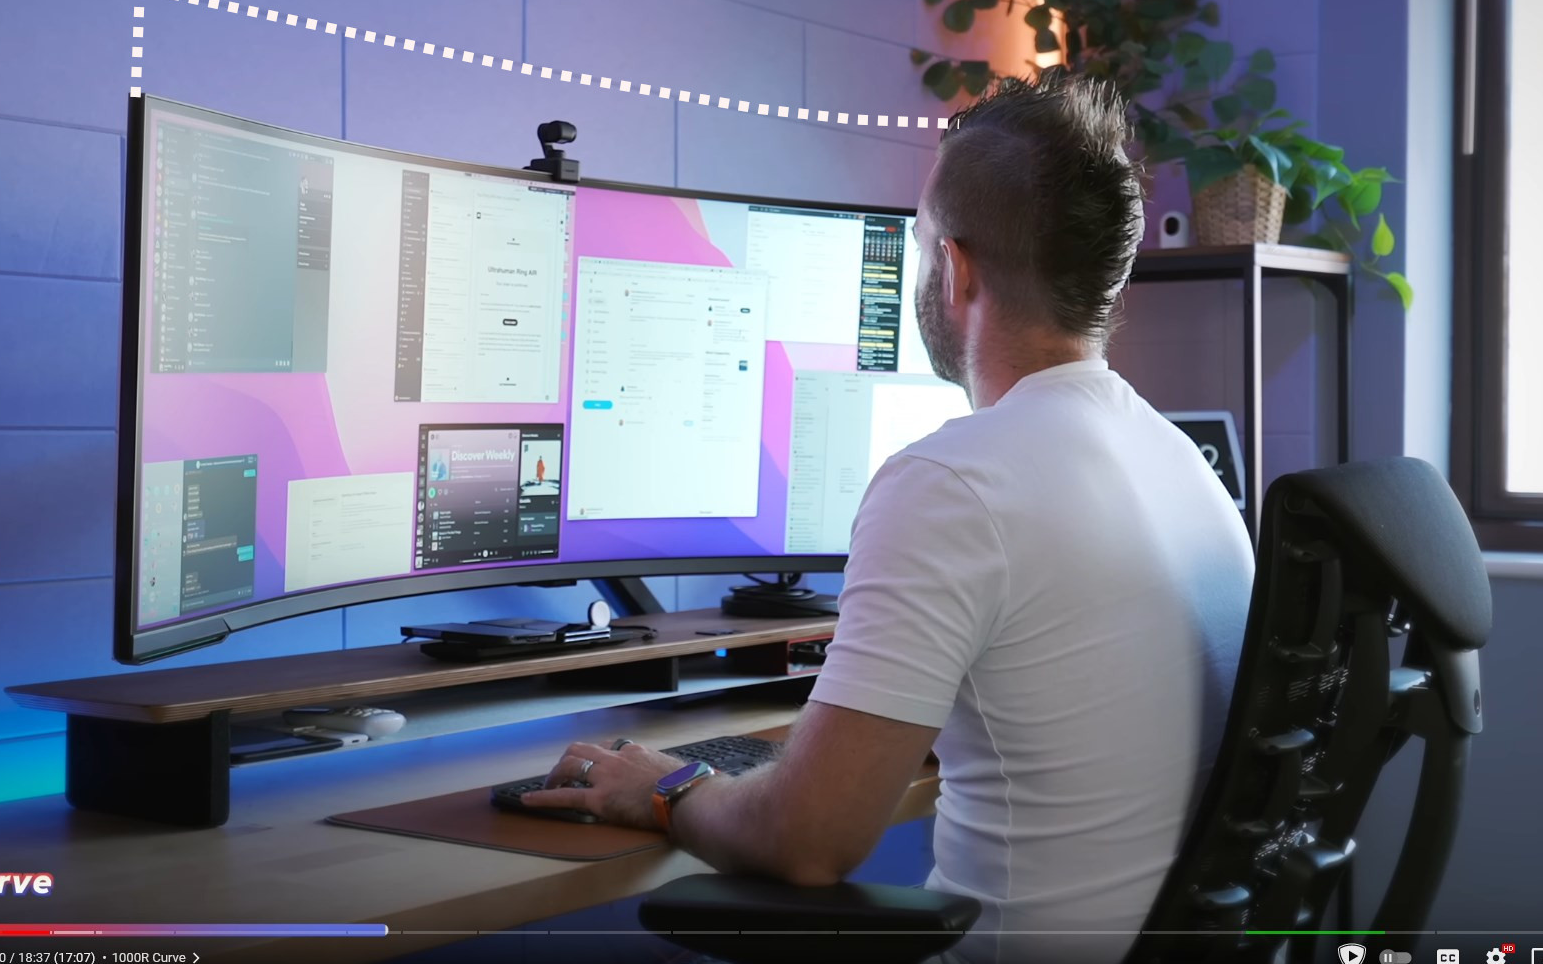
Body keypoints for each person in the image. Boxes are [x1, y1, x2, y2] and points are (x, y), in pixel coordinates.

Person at [522, 69, 1254, 964]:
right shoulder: (1185, 466)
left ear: (955, 268)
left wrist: (666, 786)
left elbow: (806, 841)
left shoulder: (951, 482)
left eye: (918, 244)